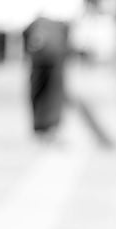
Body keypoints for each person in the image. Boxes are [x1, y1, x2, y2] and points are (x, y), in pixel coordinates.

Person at [23, 13, 70, 141]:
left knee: (50, 98)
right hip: (46, 66)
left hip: (48, 66)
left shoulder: (49, 28)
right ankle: (45, 128)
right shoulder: (55, 29)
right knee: (48, 97)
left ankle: (46, 128)